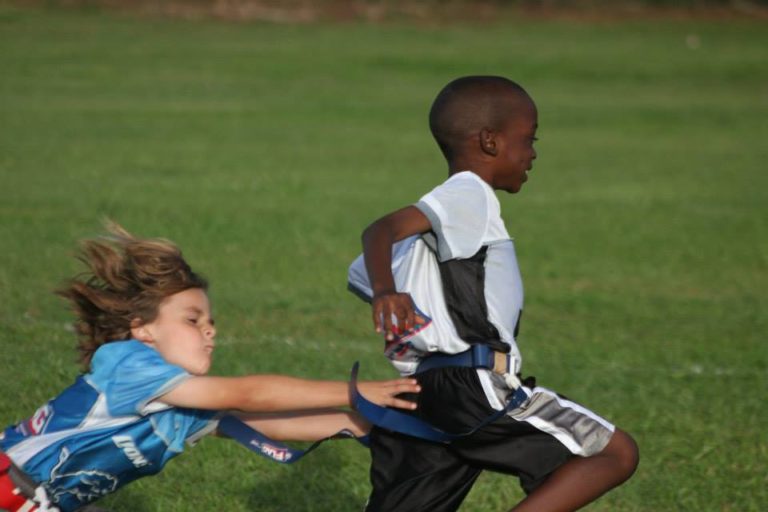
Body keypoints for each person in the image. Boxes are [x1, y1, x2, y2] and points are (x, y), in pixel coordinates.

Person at [347, 76, 639, 512]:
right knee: (614, 453)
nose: (534, 153)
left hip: (424, 393)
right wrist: (389, 293)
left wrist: (390, 291)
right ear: (489, 141)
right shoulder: (469, 195)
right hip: (473, 386)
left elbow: (362, 271)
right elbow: (381, 229)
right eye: (528, 139)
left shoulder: (437, 232)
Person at [0, 222, 420, 512]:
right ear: (143, 329)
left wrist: (369, 424)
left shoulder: (181, 406)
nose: (209, 332)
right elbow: (246, 394)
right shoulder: (129, 363)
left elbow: (262, 421)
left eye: (211, 322)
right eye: (191, 320)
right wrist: (357, 390)